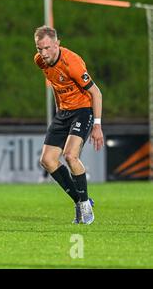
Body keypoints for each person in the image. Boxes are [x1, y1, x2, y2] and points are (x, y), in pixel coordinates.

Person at [34, 26, 104, 225]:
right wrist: (59, 111)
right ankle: (82, 201)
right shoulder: (40, 61)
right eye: (39, 49)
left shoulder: (72, 63)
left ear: (57, 44)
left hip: (83, 110)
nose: (43, 53)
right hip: (63, 113)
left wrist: (97, 125)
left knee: (70, 155)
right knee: (47, 160)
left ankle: (83, 207)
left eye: (47, 48)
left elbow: (96, 93)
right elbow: (56, 85)